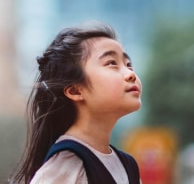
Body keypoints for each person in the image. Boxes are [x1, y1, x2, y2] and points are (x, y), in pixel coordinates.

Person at [11, 22, 142, 184]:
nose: (130, 74)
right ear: (75, 91)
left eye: (129, 65)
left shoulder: (128, 165)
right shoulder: (66, 166)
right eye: (111, 63)